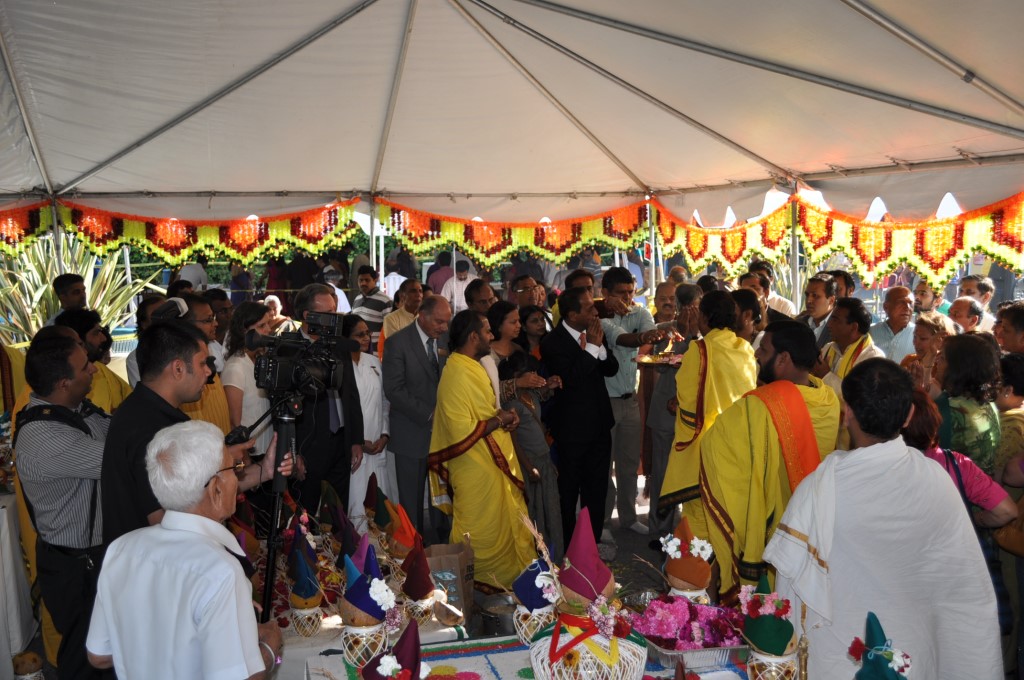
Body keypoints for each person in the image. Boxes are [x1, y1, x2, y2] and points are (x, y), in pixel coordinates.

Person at [763, 358, 1002, 679]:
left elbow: (791, 586)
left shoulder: (819, 488)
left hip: (840, 658)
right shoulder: (936, 481)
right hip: (913, 657)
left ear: (846, 412)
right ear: (909, 415)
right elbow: (963, 586)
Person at [87, 421, 284, 679]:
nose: (237, 478)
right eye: (234, 469)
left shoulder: (121, 549)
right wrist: (270, 647)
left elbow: (99, 656)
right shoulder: (221, 572)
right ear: (215, 488)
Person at [102, 321, 288, 545]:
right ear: (178, 368)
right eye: (202, 363)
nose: (209, 372)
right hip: (156, 557)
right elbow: (164, 521)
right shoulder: (152, 429)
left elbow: (195, 496)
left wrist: (263, 470)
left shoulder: (145, 411)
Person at [699, 320, 840, 600]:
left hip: (772, 530)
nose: (756, 354)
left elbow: (713, 445)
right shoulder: (828, 399)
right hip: (813, 529)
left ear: (783, 358)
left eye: (763, 349)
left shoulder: (760, 404)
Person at [16, 331, 110, 679]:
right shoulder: (44, 436)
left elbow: (116, 431)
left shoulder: (75, 410)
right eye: (85, 367)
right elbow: (122, 458)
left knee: (105, 650)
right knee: (84, 658)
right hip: (74, 567)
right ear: (63, 383)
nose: (94, 369)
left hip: (89, 557)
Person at [428, 311, 535, 588]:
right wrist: (500, 420)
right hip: (472, 467)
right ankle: (473, 587)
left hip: (489, 463)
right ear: (474, 336)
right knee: (476, 529)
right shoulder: (456, 372)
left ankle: (510, 584)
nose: (492, 335)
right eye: (487, 331)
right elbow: (460, 429)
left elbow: (485, 412)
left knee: (504, 524)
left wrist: (505, 417)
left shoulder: (473, 366)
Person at [661, 290, 757, 544]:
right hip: (737, 442)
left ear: (703, 318)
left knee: (700, 516)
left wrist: (678, 405)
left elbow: (686, 392)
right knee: (729, 510)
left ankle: (699, 564)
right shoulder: (744, 348)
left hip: (707, 443)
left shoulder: (700, 349)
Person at [540, 286, 619, 551]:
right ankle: (568, 550)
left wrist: (600, 348)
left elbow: (611, 369)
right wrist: (592, 347)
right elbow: (571, 380)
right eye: (589, 308)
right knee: (568, 492)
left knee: (596, 491)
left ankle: (591, 547)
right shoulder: (552, 342)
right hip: (571, 431)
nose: (596, 312)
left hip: (599, 426)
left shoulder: (594, 332)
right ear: (572, 315)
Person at [594, 267, 666, 539]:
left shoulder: (640, 312)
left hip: (630, 399)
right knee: (603, 466)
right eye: (620, 293)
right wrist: (644, 338)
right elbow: (623, 339)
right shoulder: (598, 317)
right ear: (605, 293)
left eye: (630, 292)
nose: (627, 298)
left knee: (628, 464)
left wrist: (656, 334)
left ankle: (628, 517)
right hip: (605, 402)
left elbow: (650, 333)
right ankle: (602, 522)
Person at [383, 295, 452, 539]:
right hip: (411, 433)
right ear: (422, 316)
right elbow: (394, 390)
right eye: (439, 322)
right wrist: (430, 414)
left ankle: (444, 546)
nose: (444, 327)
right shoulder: (397, 343)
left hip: (443, 437)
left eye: (447, 322)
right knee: (411, 504)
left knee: (443, 501)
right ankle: (414, 551)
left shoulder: (446, 340)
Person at [290, 283, 364, 510]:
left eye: (336, 310)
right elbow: (282, 406)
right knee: (307, 512)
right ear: (307, 315)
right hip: (308, 447)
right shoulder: (289, 348)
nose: (336, 317)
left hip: (341, 442)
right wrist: (293, 452)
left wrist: (356, 439)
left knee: (338, 513)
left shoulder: (338, 344)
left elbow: (350, 392)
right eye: (329, 312)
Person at [645, 284, 701, 546]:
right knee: (662, 472)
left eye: (697, 308)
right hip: (665, 413)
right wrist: (684, 335)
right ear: (679, 308)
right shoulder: (666, 331)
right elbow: (663, 366)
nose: (693, 313)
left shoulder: (708, 335)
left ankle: (689, 532)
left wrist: (695, 334)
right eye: (689, 308)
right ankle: (660, 531)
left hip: (694, 414)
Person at [497, 351, 563, 560]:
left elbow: (541, 397)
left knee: (551, 510)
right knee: (534, 511)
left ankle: (554, 557)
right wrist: (528, 467)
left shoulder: (531, 395)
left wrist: (549, 385)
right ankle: (536, 558)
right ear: (517, 375)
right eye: (531, 373)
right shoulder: (511, 404)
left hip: (543, 460)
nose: (535, 376)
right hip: (529, 463)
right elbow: (514, 441)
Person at [341, 315, 398, 533]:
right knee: (356, 507)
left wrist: (384, 434)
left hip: (377, 447)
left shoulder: (374, 363)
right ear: (345, 338)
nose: (366, 338)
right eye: (359, 335)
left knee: (380, 507)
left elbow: (384, 402)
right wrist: (357, 440)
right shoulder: (340, 365)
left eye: (367, 333)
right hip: (354, 450)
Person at [934, 333, 1002, 475]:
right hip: (983, 485)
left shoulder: (947, 409)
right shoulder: (988, 403)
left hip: (955, 485)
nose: (936, 361)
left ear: (957, 368)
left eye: (942, 358)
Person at [54, 308, 132, 414]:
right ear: (77, 339)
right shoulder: (59, 378)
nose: (103, 338)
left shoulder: (100, 369)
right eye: (96, 333)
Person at [222, 301, 274, 454]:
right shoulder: (235, 368)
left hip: (265, 451)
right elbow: (234, 423)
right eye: (262, 326)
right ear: (244, 330)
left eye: (268, 324)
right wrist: (245, 458)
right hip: (249, 455)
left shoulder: (259, 360)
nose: (269, 330)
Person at [177, 293, 232, 434]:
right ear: (187, 324)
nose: (216, 323)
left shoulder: (207, 351)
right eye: (208, 320)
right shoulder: (184, 366)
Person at [813, 297, 885, 398]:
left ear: (854, 327)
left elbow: (860, 398)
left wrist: (826, 376)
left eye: (835, 320)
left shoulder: (873, 357)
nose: (829, 324)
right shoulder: (828, 348)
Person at [901, 311, 957, 394]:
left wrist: (930, 356)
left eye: (923, 339)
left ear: (942, 339)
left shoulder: (946, 367)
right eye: (915, 337)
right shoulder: (909, 360)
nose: (916, 342)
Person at [351, 265, 394, 353]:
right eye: (361, 280)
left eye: (367, 280)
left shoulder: (385, 301)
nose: (363, 283)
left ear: (375, 280)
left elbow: (390, 331)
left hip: (376, 353)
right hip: (358, 353)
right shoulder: (357, 299)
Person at [868, 286, 916, 364]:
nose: (907, 308)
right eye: (901, 302)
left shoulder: (918, 335)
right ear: (886, 307)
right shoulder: (870, 332)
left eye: (911, 304)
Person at [379, 279, 424, 356]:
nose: (418, 294)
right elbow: (396, 346)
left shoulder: (425, 317)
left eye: (420, 291)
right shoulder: (391, 319)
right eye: (413, 291)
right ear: (402, 296)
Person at [797, 273, 836, 349]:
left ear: (831, 300)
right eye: (807, 295)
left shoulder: (840, 328)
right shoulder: (798, 324)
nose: (808, 300)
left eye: (815, 296)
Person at [203, 288, 234, 366]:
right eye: (223, 311)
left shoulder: (237, 336)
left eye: (231, 309)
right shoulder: (202, 346)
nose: (230, 315)